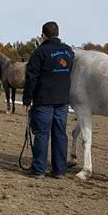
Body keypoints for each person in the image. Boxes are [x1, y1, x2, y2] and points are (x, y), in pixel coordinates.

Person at [23, 21, 74, 179]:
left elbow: (32, 77)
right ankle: (59, 169)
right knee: (60, 134)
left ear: (43, 35)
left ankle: (39, 169)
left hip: (44, 99)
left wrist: (27, 98)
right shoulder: (68, 51)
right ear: (57, 33)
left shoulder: (40, 52)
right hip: (62, 100)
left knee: (42, 134)